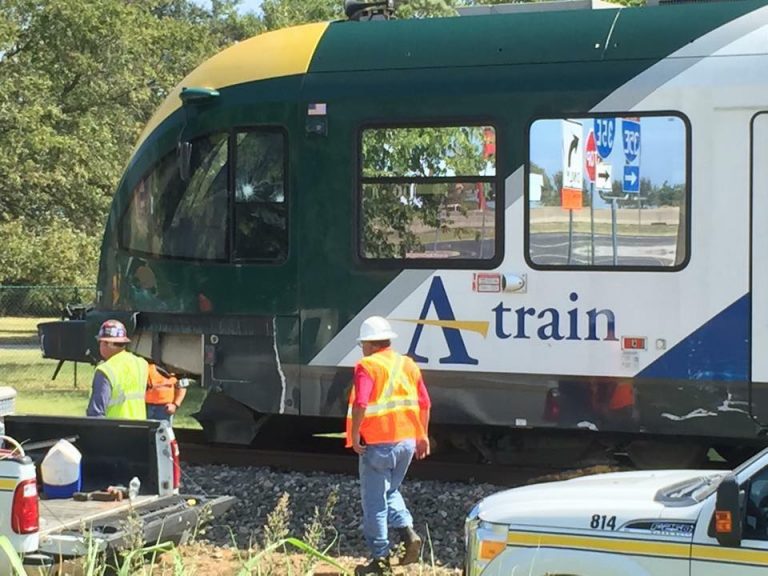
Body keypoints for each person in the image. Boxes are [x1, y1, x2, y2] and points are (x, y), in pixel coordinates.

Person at [346, 316, 431, 576]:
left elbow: (361, 403)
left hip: (378, 445)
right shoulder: (407, 363)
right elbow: (425, 402)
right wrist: (423, 435)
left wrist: (355, 432)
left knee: (374, 504)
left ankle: (380, 561)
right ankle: (408, 533)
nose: (362, 349)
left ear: (370, 344)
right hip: (405, 442)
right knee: (390, 491)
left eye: (363, 344)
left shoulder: (367, 366)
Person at [86, 320, 148, 420]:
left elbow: (96, 413)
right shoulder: (141, 364)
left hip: (114, 432)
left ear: (107, 343)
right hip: (139, 430)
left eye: (101, 342)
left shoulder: (105, 370)